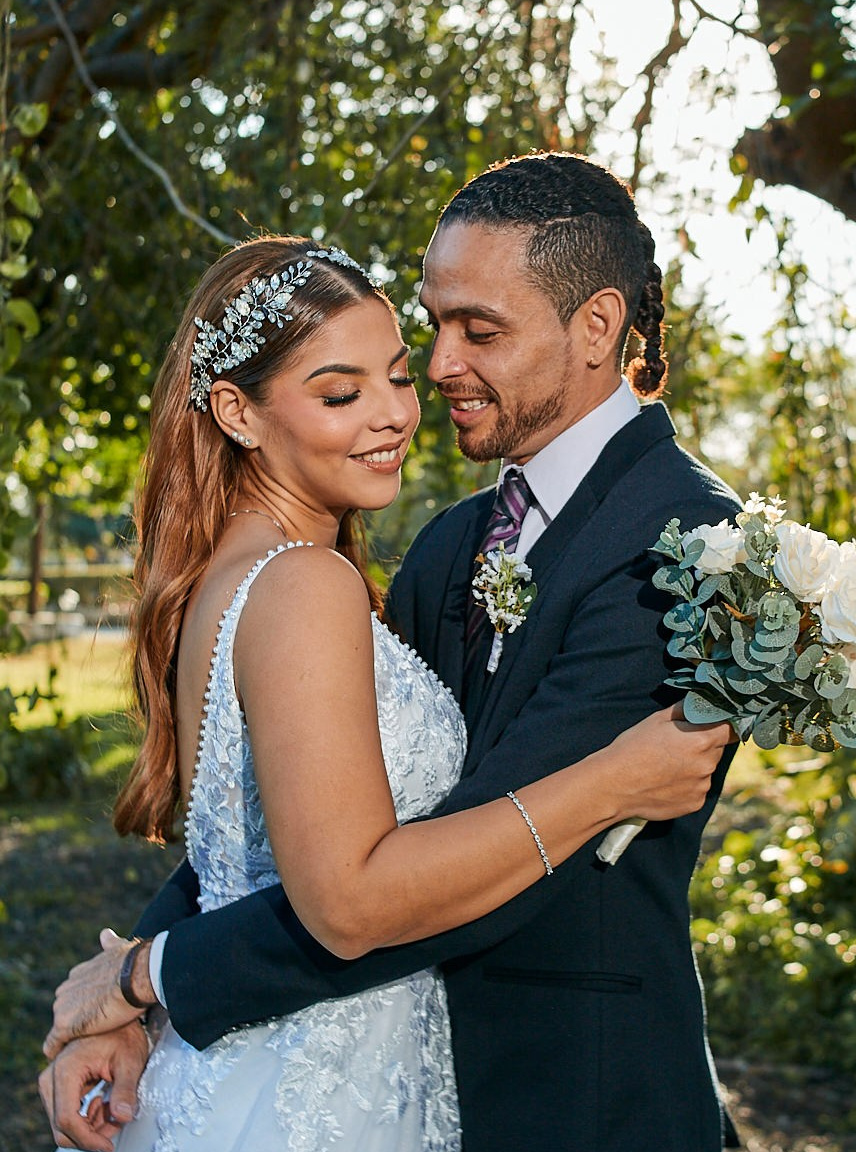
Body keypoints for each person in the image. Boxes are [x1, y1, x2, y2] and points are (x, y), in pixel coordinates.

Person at [36, 227, 736, 1151]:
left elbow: (269, 836)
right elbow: (347, 893)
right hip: (321, 1094)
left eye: (401, 375)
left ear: (597, 325)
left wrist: (144, 982)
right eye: (341, 393)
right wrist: (616, 781)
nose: (408, 404)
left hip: (568, 1090)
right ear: (237, 412)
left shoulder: (685, 544)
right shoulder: (326, 579)